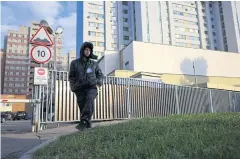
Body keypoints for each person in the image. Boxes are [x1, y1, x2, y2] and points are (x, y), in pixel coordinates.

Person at [69, 42, 104, 130]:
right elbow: (71, 77)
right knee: (83, 107)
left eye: (89, 50)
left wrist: (98, 82)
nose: (88, 51)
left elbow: (100, 75)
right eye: (86, 49)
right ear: (82, 50)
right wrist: (73, 87)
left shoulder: (94, 64)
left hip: (91, 87)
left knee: (89, 98)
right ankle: (87, 125)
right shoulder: (74, 63)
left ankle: (84, 121)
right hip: (79, 88)